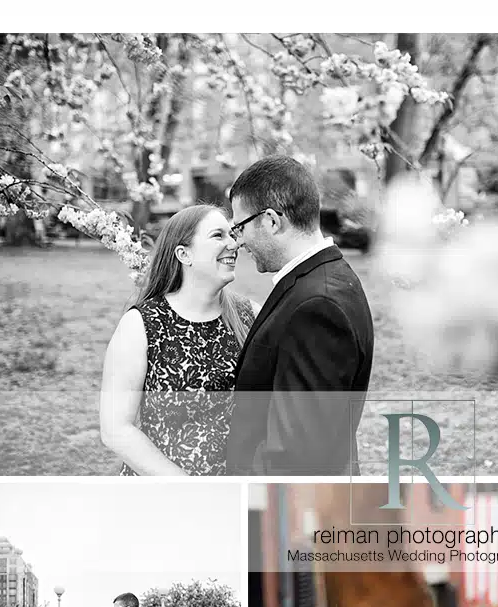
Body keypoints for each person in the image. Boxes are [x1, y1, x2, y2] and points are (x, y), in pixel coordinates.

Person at [226, 156, 374, 475]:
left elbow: (295, 456)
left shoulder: (317, 306)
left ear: (271, 221)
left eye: (239, 227)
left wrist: (231, 497)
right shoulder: (322, 280)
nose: (237, 241)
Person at [100, 204, 256, 476]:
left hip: (235, 493)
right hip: (163, 498)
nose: (233, 243)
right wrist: (185, 487)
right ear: (184, 254)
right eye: (218, 236)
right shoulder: (142, 325)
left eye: (232, 234)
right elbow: (116, 429)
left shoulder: (250, 315)